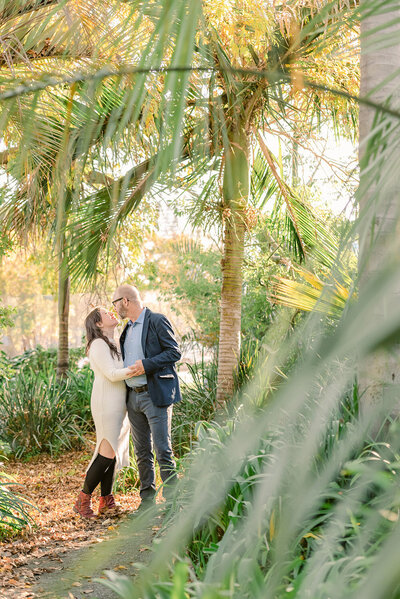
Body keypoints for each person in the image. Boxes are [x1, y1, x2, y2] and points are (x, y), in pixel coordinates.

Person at [112, 284, 182, 507]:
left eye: (115, 302)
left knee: (163, 449)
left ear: (125, 301)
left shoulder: (157, 320)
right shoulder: (127, 329)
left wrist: (147, 365)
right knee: (141, 452)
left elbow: (174, 352)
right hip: (133, 398)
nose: (114, 308)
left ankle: (172, 501)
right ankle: (147, 502)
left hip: (156, 395)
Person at [73, 307, 136, 519]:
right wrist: (137, 369)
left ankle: (106, 501)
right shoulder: (98, 344)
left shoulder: (113, 342)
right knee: (106, 453)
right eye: (106, 314)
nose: (112, 313)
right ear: (98, 324)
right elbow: (111, 374)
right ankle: (83, 500)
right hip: (106, 403)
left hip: (120, 403)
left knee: (114, 455)